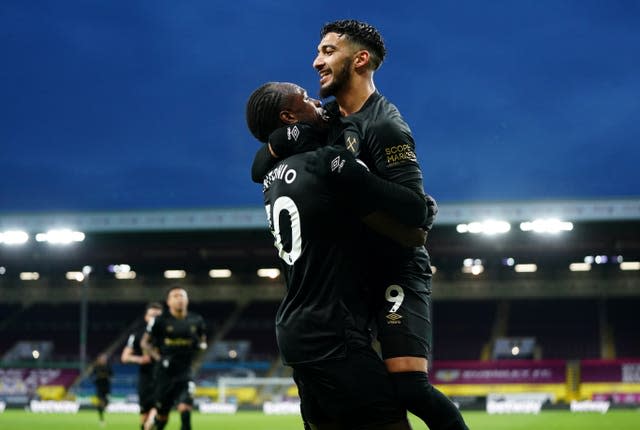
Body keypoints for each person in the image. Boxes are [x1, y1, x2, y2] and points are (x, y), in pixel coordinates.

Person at [247, 82, 429, 429]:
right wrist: (421, 217)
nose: (317, 100)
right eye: (305, 99)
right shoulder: (327, 163)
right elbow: (411, 210)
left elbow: (258, 166)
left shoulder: (273, 176)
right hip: (332, 330)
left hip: (294, 329)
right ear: (289, 117)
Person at [141, 287, 207, 430]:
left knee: (185, 411)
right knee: (162, 418)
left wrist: (200, 346)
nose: (179, 299)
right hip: (164, 374)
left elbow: (202, 340)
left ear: (187, 300)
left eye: (182, 296)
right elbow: (145, 342)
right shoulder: (160, 321)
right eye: (175, 296)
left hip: (185, 372)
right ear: (169, 301)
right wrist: (159, 358)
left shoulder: (196, 320)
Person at [121, 302, 163, 430]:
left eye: (157, 316)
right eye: (152, 316)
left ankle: (151, 422)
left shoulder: (167, 335)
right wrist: (140, 359)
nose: (154, 319)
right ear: (146, 317)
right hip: (145, 378)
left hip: (163, 377)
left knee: (159, 412)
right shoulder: (137, 335)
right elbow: (125, 357)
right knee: (144, 416)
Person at [92, 353, 113, 426]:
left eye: (105, 359)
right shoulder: (96, 367)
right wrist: (95, 380)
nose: (104, 360)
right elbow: (92, 376)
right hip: (99, 388)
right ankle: (101, 419)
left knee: (106, 402)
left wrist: (108, 377)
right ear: (99, 359)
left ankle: (102, 407)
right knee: (100, 402)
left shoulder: (108, 366)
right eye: (103, 358)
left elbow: (112, 375)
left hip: (107, 388)